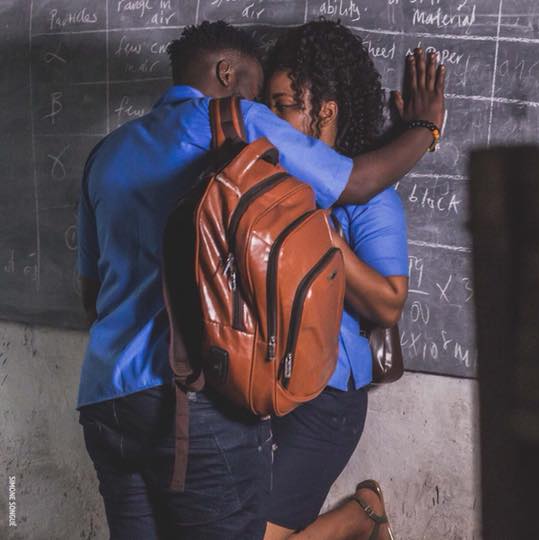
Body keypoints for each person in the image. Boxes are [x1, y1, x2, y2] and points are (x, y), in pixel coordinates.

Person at [75, 20, 444, 539]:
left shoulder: (106, 153)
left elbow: (91, 296)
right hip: (195, 394)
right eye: (258, 94)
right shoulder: (237, 120)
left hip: (106, 396)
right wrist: (425, 129)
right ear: (228, 74)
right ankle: (361, 520)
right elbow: (357, 181)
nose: (266, 112)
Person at [258, 20, 412, 540]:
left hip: (327, 399)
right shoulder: (273, 184)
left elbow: (388, 304)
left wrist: (323, 235)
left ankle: (361, 516)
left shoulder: (372, 201)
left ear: (325, 111)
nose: (268, 119)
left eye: (283, 105)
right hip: (266, 386)